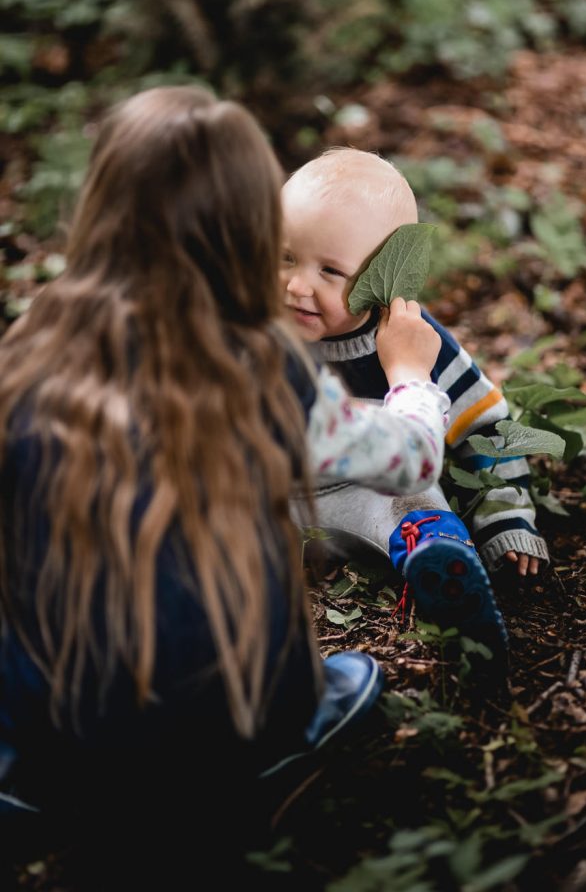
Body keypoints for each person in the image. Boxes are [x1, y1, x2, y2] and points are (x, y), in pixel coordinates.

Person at [0, 88, 449, 885]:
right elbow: (408, 461)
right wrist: (411, 377)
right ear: (251, 231)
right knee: (341, 681)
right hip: (216, 717)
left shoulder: (31, 349)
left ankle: (38, 784)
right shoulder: (259, 372)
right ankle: (271, 749)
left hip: (51, 717)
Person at [281, 148, 551, 653]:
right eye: (285, 257)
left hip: (365, 492)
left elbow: (484, 428)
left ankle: (438, 556)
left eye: (330, 272)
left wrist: (506, 518)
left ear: (387, 277)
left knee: (413, 501)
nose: (297, 286)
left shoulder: (413, 345)